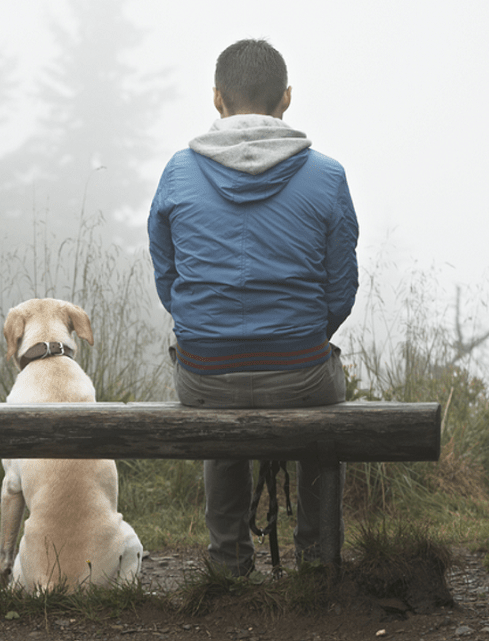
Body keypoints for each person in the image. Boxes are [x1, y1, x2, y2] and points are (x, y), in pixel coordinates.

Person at [147, 38, 359, 575]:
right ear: (285, 98)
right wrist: (300, 335)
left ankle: (228, 563)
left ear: (217, 100)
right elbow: (341, 290)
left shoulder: (177, 172)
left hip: (205, 374)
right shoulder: (327, 176)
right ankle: (315, 561)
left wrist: (207, 328)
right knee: (322, 410)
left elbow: (167, 275)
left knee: (218, 402)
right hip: (300, 373)